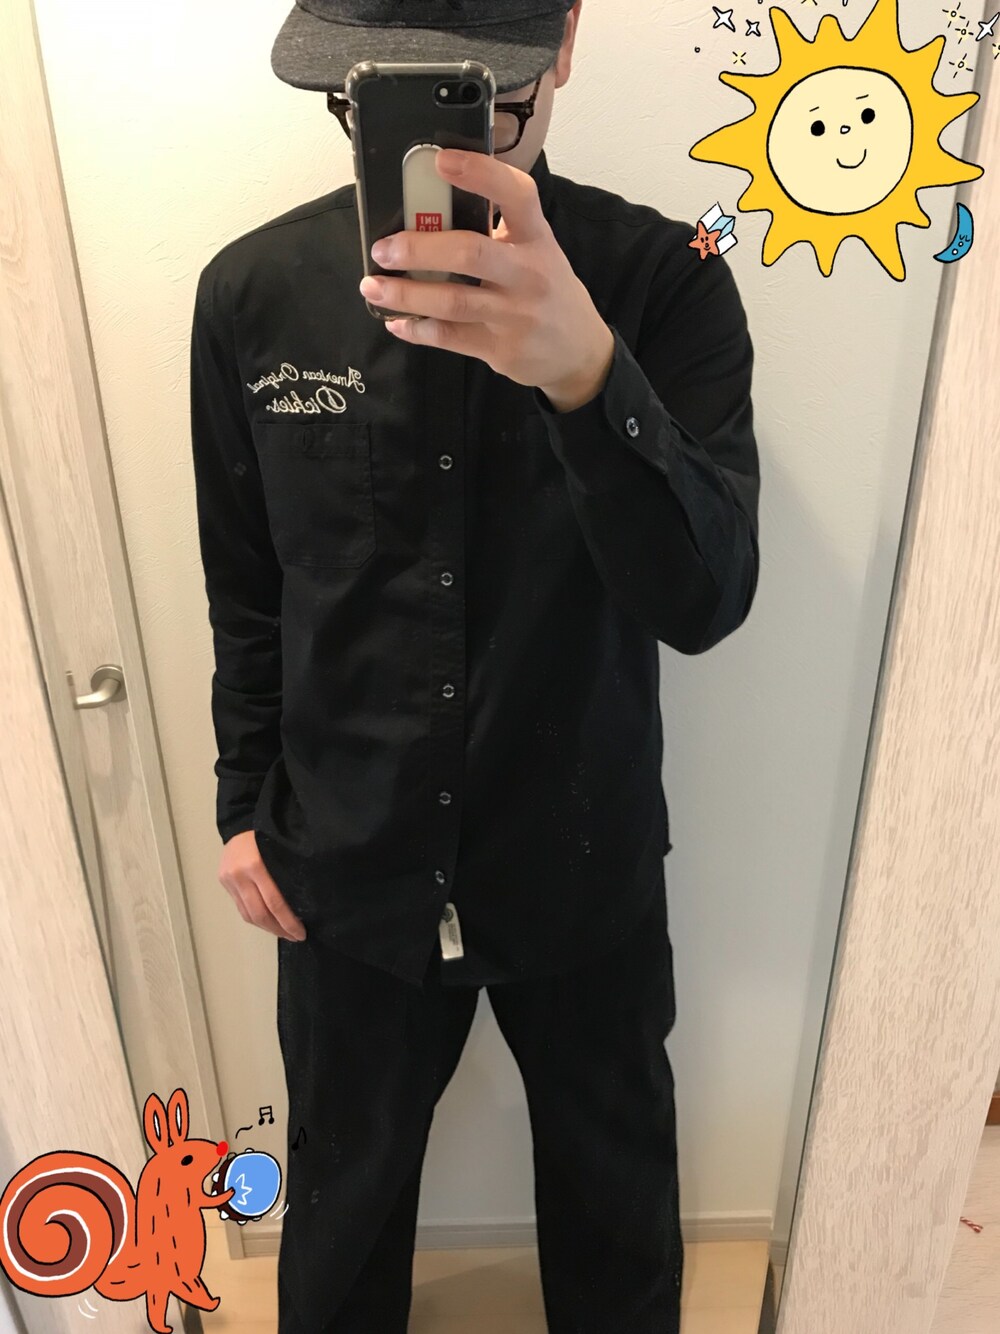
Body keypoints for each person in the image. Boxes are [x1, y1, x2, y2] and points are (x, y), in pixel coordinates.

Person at [189, 1, 760, 1330]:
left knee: (618, 1216)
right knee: (341, 1223)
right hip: (344, 861)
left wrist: (589, 379)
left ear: (564, 45)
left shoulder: (667, 279)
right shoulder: (253, 295)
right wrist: (238, 799)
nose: (439, 155)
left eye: (481, 106)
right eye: (369, 100)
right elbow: (250, 588)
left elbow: (707, 599)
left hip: (579, 849)